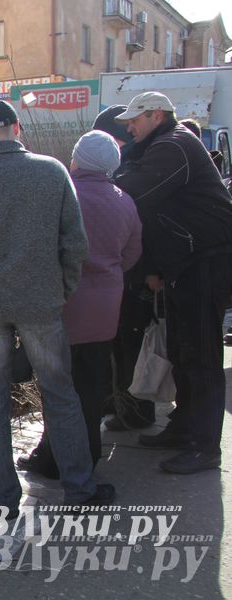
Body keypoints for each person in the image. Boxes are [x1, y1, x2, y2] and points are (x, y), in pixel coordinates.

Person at [0, 100, 115, 514]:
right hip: (42, 303)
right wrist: (62, 288)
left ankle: (1, 496)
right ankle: (80, 488)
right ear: (17, 128)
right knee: (59, 394)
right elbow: (76, 244)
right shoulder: (51, 172)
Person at [113, 91, 232, 474]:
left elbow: (135, 192)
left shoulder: (174, 145)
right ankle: (184, 430)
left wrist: (106, 179)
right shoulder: (164, 144)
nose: (129, 126)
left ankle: (204, 446)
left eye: (135, 119)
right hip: (186, 263)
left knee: (202, 356)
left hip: (205, 262)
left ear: (157, 115)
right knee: (184, 353)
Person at [17, 131, 142, 479]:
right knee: (91, 387)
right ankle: (87, 455)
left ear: (75, 160)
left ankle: (53, 459)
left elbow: (37, 249)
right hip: (105, 309)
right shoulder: (124, 200)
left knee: (57, 389)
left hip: (61, 307)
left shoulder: (59, 194)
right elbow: (132, 254)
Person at [93, 105, 156, 431]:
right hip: (124, 275)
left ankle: (135, 411)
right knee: (119, 345)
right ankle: (120, 404)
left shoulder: (130, 175)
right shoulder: (127, 170)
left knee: (128, 345)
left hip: (129, 279)